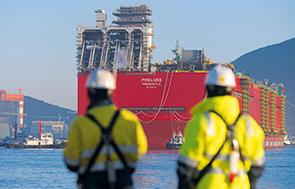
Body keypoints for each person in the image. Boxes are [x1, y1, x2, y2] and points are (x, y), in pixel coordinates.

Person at [177, 65, 265, 189]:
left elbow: (185, 167)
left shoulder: (200, 122)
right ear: (232, 90)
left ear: (207, 89)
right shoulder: (249, 124)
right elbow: (258, 167)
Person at [64, 69, 148, 189]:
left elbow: (71, 163)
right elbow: (141, 149)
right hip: (123, 182)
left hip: (92, 183)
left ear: (89, 93)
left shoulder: (80, 124)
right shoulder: (129, 119)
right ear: (112, 92)